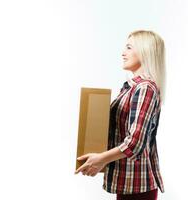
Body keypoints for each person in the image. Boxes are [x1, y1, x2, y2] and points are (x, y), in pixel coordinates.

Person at [75, 30, 166, 200]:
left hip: (138, 187)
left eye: (129, 47)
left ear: (145, 51)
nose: (123, 53)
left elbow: (135, 142)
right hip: (129, 184)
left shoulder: (144, 88)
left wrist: (101, 159)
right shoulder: (132, 87)